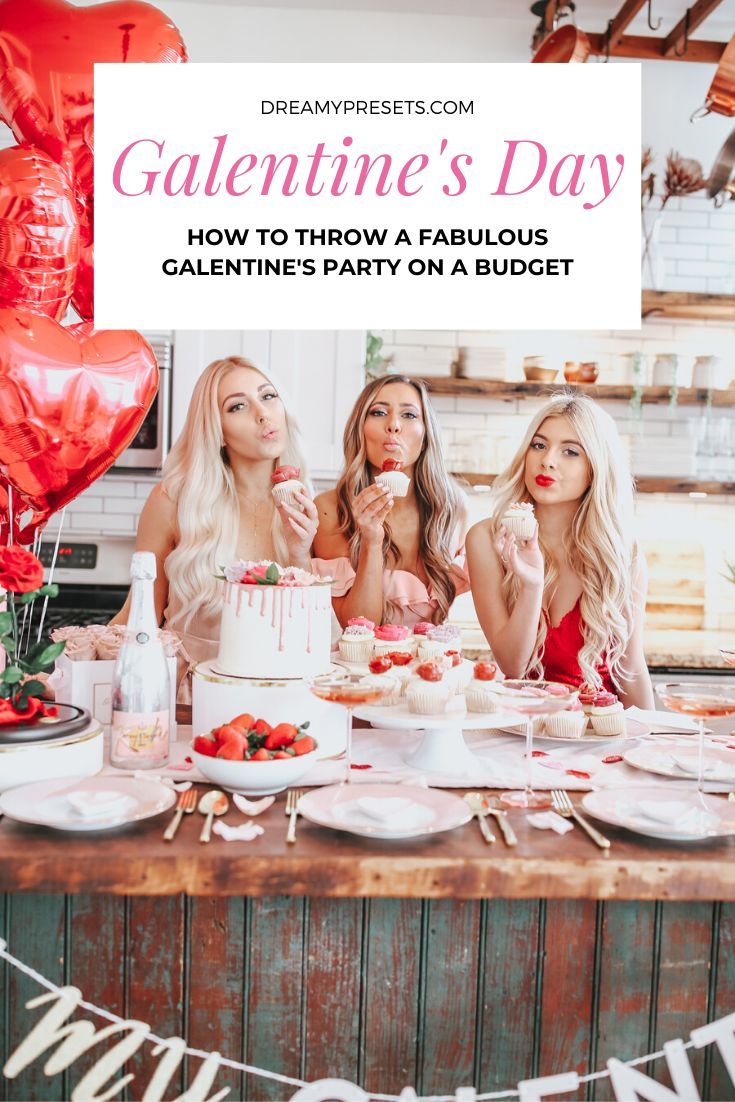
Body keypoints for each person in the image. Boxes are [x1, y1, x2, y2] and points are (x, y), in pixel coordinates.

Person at [111, 355, 318, 702]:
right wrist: (68, 668)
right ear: (217, 431)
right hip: (189, 702)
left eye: (268, 396)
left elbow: (307, 627)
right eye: (238, 406)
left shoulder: (302, 500)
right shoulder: (174, 500)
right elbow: (138, 612)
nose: (262, 413)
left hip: (280, 696)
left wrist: (300, 551)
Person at [465, 391, 654, 708]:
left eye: (570, 452)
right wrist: (531, 584)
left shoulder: (623, 552)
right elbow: (512, 665)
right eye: (539, 445)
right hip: (523, 729)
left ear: (595, 468)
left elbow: (630, 668)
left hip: (599, 730)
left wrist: (651, 743)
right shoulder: (486, 539)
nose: (547, 460)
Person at [313, 374, 468, 628]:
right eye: (378, 412)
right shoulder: (331, 510)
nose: (394, 425)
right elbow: (358, 625)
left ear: (426, 434)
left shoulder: (452, 508)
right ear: (359, 429)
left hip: (432, 664)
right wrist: (371, 542)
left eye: (409, 415)